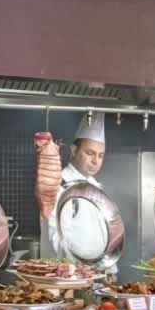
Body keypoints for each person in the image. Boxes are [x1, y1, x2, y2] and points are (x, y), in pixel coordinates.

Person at [41, 112, 108, 263]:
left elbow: (103, 235)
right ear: (74, 150)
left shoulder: (96, 187)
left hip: (95, 272)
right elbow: (54, 239)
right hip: (66, 272)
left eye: (101, 155)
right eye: (90, 153)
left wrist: (108, 268)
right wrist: (82, 268)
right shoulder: (59, 185)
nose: (95, 161)